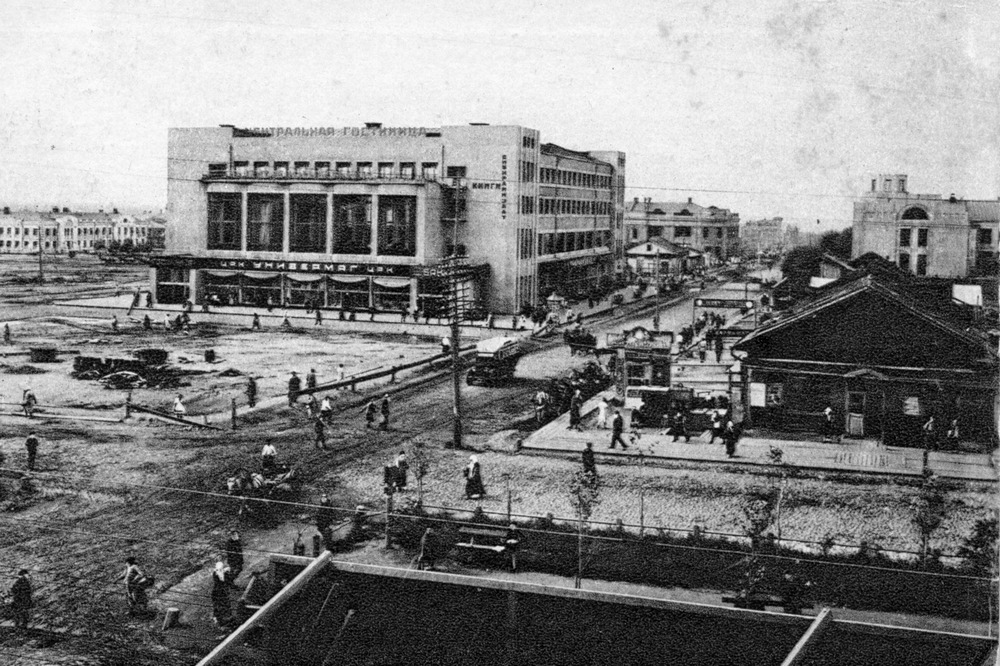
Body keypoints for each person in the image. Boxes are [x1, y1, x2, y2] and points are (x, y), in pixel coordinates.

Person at [211, 560, 233, 627]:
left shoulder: (221, 573)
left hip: (222, 592)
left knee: (225, 604)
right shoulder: (216, 574)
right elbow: (222, 580)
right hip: (218, 592)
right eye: (218, 569)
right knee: (218, 605)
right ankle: (218, 619)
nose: (219, 570)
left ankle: (226, 617)